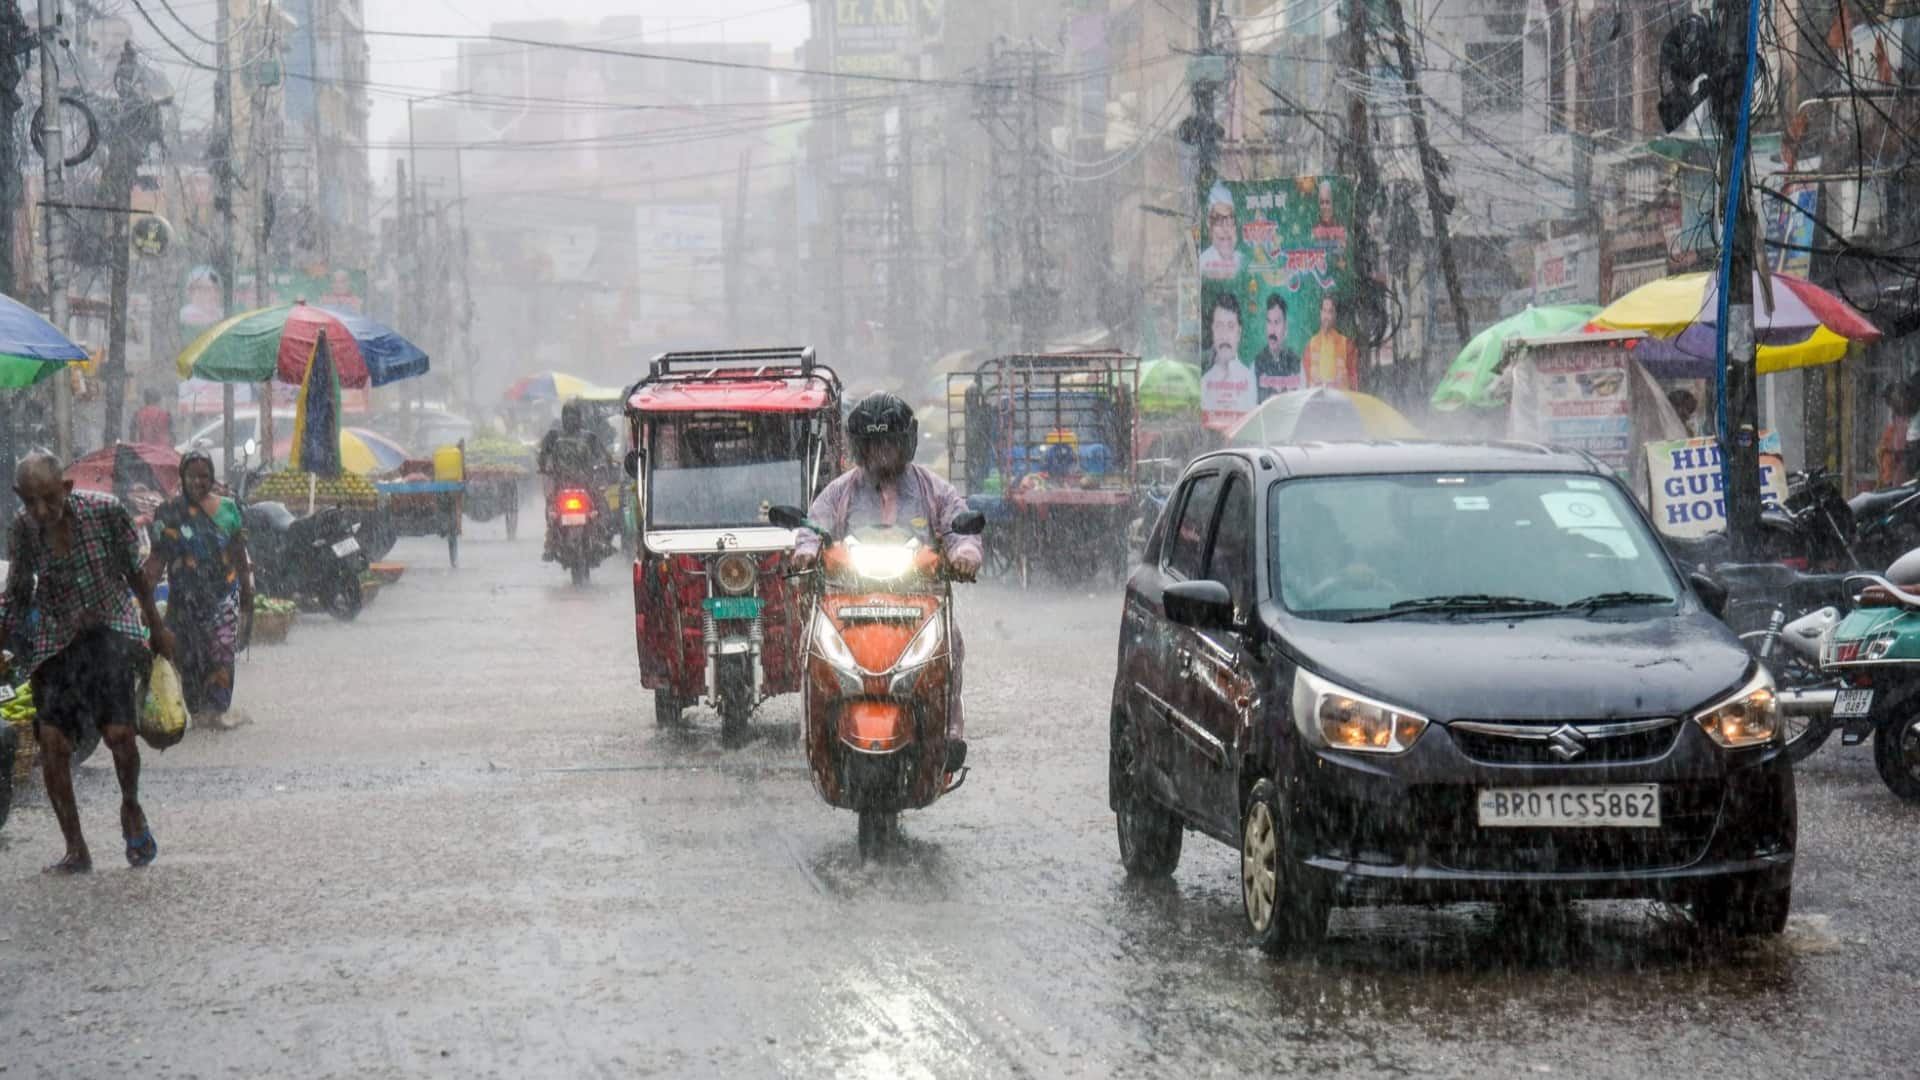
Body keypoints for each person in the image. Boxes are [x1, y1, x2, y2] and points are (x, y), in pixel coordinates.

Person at [0, 453, 174, 874]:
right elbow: (18, 594)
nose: (41, 512)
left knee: (120, 736)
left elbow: (136, 576)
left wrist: (156, 629)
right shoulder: (23, 532)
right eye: (31, 503)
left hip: (108, 631)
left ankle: (130, 806)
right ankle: (76, 848)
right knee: (53, 745)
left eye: (48, 499)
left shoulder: (105, 512)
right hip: (56, 642)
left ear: (66, 490)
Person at [790, 393, 982, 766]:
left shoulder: (934, 489)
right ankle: (813, 733)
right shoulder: (839, 492)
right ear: (861, 447)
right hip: (848, 599)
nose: (882, 452)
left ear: (905, 443)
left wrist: (964, 556)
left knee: (952, 644)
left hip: (920, 599)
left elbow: (962, 529)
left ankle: (948, 732)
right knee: (809, 646)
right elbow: (814, 525)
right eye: (874, 443)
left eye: (890, 442)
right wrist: (807, 549)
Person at [143, 450, 252, 730]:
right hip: (184, 603)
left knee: (220, 658)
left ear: (212, 478)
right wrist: (145, 600)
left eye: (204, 476)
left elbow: (240, 557)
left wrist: (247, 603)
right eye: (192, 476)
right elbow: (156, 560)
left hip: (222, 602)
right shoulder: (169, 514)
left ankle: (217, 716)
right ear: (183, 478)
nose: (198, 482)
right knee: (187, 661)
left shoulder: (228, 509)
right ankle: (199, 714)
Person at [538, 400, 615, 558]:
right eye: (568, 416)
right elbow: (542, 455)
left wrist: (543, 468)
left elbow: (603, 457)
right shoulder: (559, 436)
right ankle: (552, 541)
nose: (571, 419)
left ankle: (553, 543)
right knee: (553, 510)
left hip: (579, 484)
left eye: (573, 416)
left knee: (599, 507)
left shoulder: (585, 437)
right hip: (573, 484)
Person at [1200, 292, 1257, 430]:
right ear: (1212, 330)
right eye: (1219, 326)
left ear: (1239, 332)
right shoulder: (1204, 381)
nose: (1224, 335)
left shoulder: (1249, 379)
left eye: (1231, 326)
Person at [1252, 293, 1303, 399]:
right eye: (1269, 322)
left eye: (1277, 322)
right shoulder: (1256, 365)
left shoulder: (1297, 365)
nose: (1272, 330)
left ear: (1286, 328)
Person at [1304, 295, 1359, 390]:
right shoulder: (1311, 345)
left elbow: (1354, 381)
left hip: (1339, 402)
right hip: (1318, 402)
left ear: (1335, 315)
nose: (1326, 316)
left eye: (1330, 312)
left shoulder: (1347, 345)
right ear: (1320, 313)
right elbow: (1306, 382)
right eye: (1324, 311)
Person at [1198, 184, 1244, 280]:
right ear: (1209, 224)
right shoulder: (1202, 264)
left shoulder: (1244, 260)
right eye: (1218, 220)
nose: (1225, 227)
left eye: (1230, 219)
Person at [1881, 382, 1914, 488]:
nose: (1890, 405)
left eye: (1890, 400)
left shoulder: (1910, 415)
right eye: (1889, 403)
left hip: (1910, 463)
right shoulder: (1896, 418)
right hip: (1900, 465)